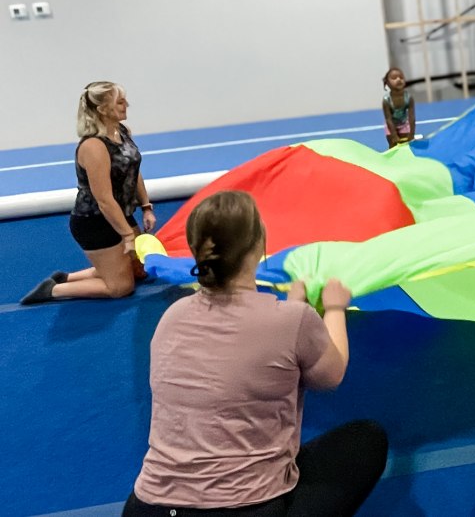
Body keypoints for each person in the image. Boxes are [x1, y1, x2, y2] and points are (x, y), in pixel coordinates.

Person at [123, 191, 388, 516]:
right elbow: (332, 374)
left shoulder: (172, 317)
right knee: (366, 440)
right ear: (259, 246)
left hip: (149, 506)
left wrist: (294, 310)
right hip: (243, 510)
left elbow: (241, 350)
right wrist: (334, 308)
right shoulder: (291, 322)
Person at [21, 81, 156, 305]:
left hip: (120, 214)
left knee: (140, 271)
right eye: (120, 102)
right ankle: (54, 290)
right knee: (121, 287)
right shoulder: (93, 146)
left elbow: (134, 171)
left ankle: (68, 277)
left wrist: (146, 207)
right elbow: (103, 200)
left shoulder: (122, 132)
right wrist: (128, 236)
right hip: (94, 221)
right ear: (103, 109)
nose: (127, 105)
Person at [382, 67, 416, 149]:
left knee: (405, 146)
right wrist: (393, 134)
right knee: (393, 145)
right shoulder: (386, 100)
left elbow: (412, 117)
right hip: (391, 125)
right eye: (394, 78)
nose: (398, 79)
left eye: (401, 77)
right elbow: (388, 119)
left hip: (404, 124)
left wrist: (412, 133)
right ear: (387, 83)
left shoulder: (408, 98)